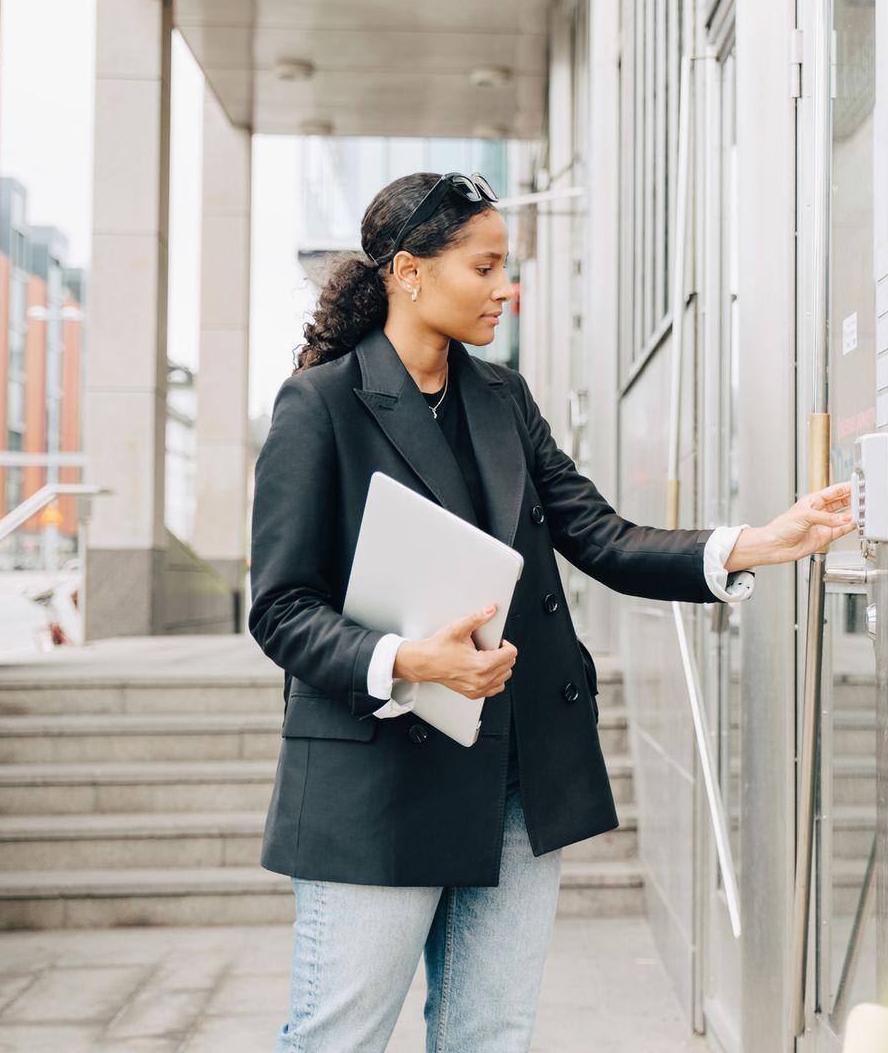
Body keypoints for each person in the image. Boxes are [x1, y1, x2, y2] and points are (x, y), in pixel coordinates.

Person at [248, 171, 854, 1052]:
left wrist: (759, 542)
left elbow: (600, 536)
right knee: (338, 1037)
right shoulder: (320, 405)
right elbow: (281, 609)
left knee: (490, 1034)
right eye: (486, 266)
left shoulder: (503, 398)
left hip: (518, 772)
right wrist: (413, 660)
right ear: (409, 274)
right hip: (377, 778)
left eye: (509, 267)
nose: (507, 288)